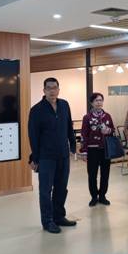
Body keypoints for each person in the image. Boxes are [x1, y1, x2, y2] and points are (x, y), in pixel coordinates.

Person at [28, 78, 77, 234]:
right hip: (46, 157)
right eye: (48, 88)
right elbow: (33, 136)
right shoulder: (36, 110)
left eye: (54, 87)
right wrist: (35, 158)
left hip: (63, 154)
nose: (52, 91)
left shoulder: (64, 105)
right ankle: (47, 221)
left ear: (58, 89)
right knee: (45, 190)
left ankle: (59, 216)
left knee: (61, 188)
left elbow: (69, 126)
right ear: (44, 90)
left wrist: (73, 145)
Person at [80, 92, 115, 207]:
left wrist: (108, 130)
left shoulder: (107, 116)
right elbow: (84, 135)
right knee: (92, 175)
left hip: (105, 150)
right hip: (92, 150)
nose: (99, 102)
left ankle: (102, 196)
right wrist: (84, 151)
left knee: (105, 174)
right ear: (92, 103)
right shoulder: (87, 117)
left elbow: (113, 130)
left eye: (100, 100)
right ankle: (94, 197)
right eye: (96, 100)